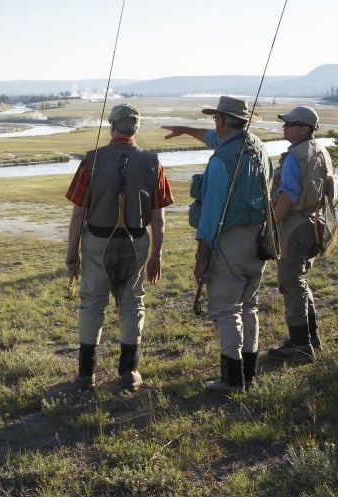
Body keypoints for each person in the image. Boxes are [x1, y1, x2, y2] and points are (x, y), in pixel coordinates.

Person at [162, 96, 272, 393]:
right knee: (249, 306)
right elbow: (213, 138)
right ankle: (249, 373)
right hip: (259, 240)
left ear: (222, 120)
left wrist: (201, 259)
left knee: (226, 310)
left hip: (229, 242)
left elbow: (210, 218)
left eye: (216, 119)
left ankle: (231, 379)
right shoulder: (258, 148)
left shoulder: (221, 162)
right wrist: (185, 129)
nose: (214, 124)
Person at [65, 103, 174, 392]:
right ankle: (129, 372)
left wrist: (71, 253)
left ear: (112, 126)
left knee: (92, 303)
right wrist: (156, 255)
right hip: (137, 241)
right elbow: (158, 216)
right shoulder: (153, 162)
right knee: (132, 303)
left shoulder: (91, 160)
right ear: (135, 128)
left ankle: (86, 375)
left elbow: (78, 213)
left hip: (96, 243)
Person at [267, 106, 335, 361]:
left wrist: (271, 226)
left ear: (305, 129)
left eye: (290, 124)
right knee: (300, 280)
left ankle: (300, 345)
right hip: (319, 224)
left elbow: (288, 195)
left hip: (295, 226)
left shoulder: (295, 156)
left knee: (290, 282)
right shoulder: (321, 152)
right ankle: (310, 336)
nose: (285, 127)